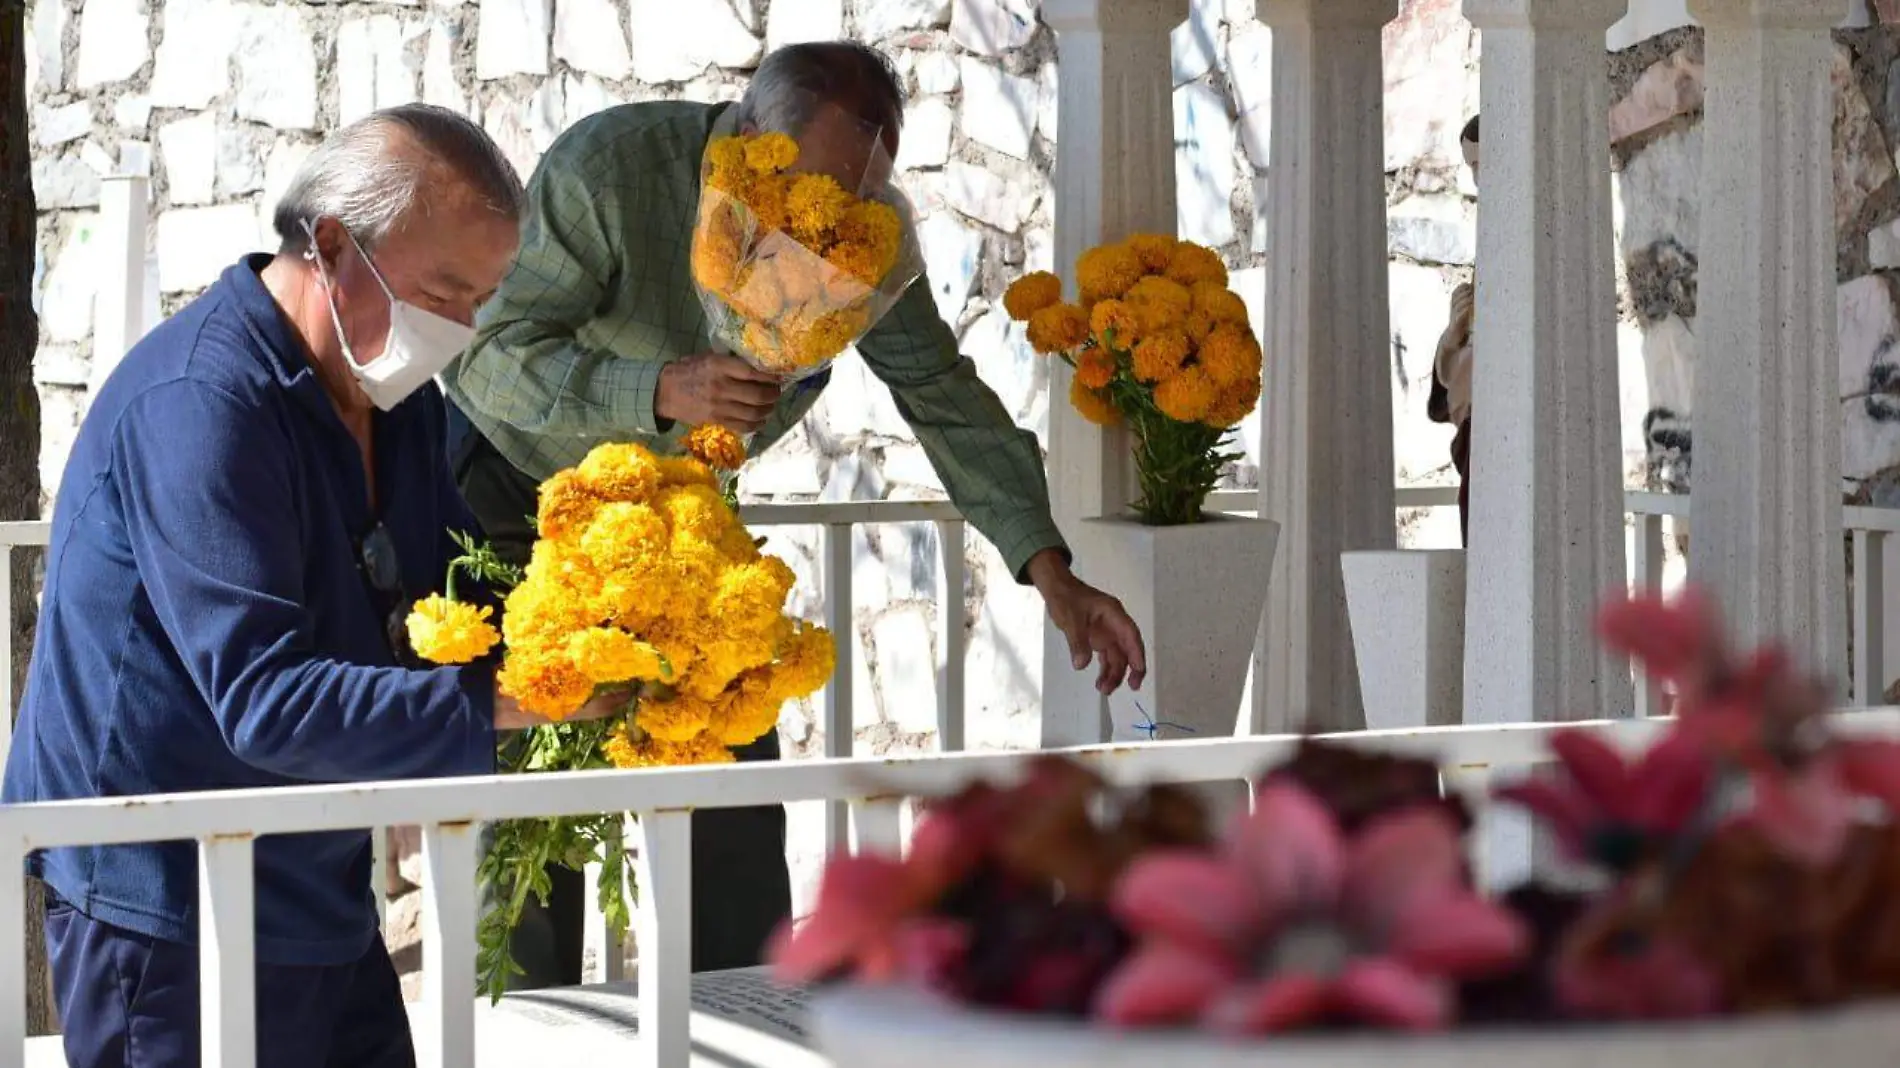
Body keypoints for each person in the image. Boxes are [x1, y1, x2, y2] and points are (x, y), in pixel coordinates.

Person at [441, 40, 1150, 985]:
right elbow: (482, 356)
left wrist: (1049, 572)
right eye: (809, 191)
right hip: (518, 494)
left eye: (855, 200)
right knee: (534, 819)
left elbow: (941, 394)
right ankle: (521, 1030)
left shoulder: (860, 242)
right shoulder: (610, 170)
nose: (822, 231)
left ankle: (737, 1028)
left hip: (687, 526)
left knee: (736, 800)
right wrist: (654, 389)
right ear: (746, 143)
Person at [1, 104, 622, 1068]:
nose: (457, 330)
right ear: (332, 245)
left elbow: (453, 597)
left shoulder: (395, 398)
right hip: (166, 895)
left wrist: (605, 630)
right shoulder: (201, 404)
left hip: (314, 865)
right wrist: (506, 697)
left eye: (479, 302)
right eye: (443, 292)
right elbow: (263, 698)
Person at [1429, 115, 1481, 544]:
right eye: (1473, 168)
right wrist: (1453, 336)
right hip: (1476, 432)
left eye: (1484, 164)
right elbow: (1462, 361)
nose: (1480, 178)